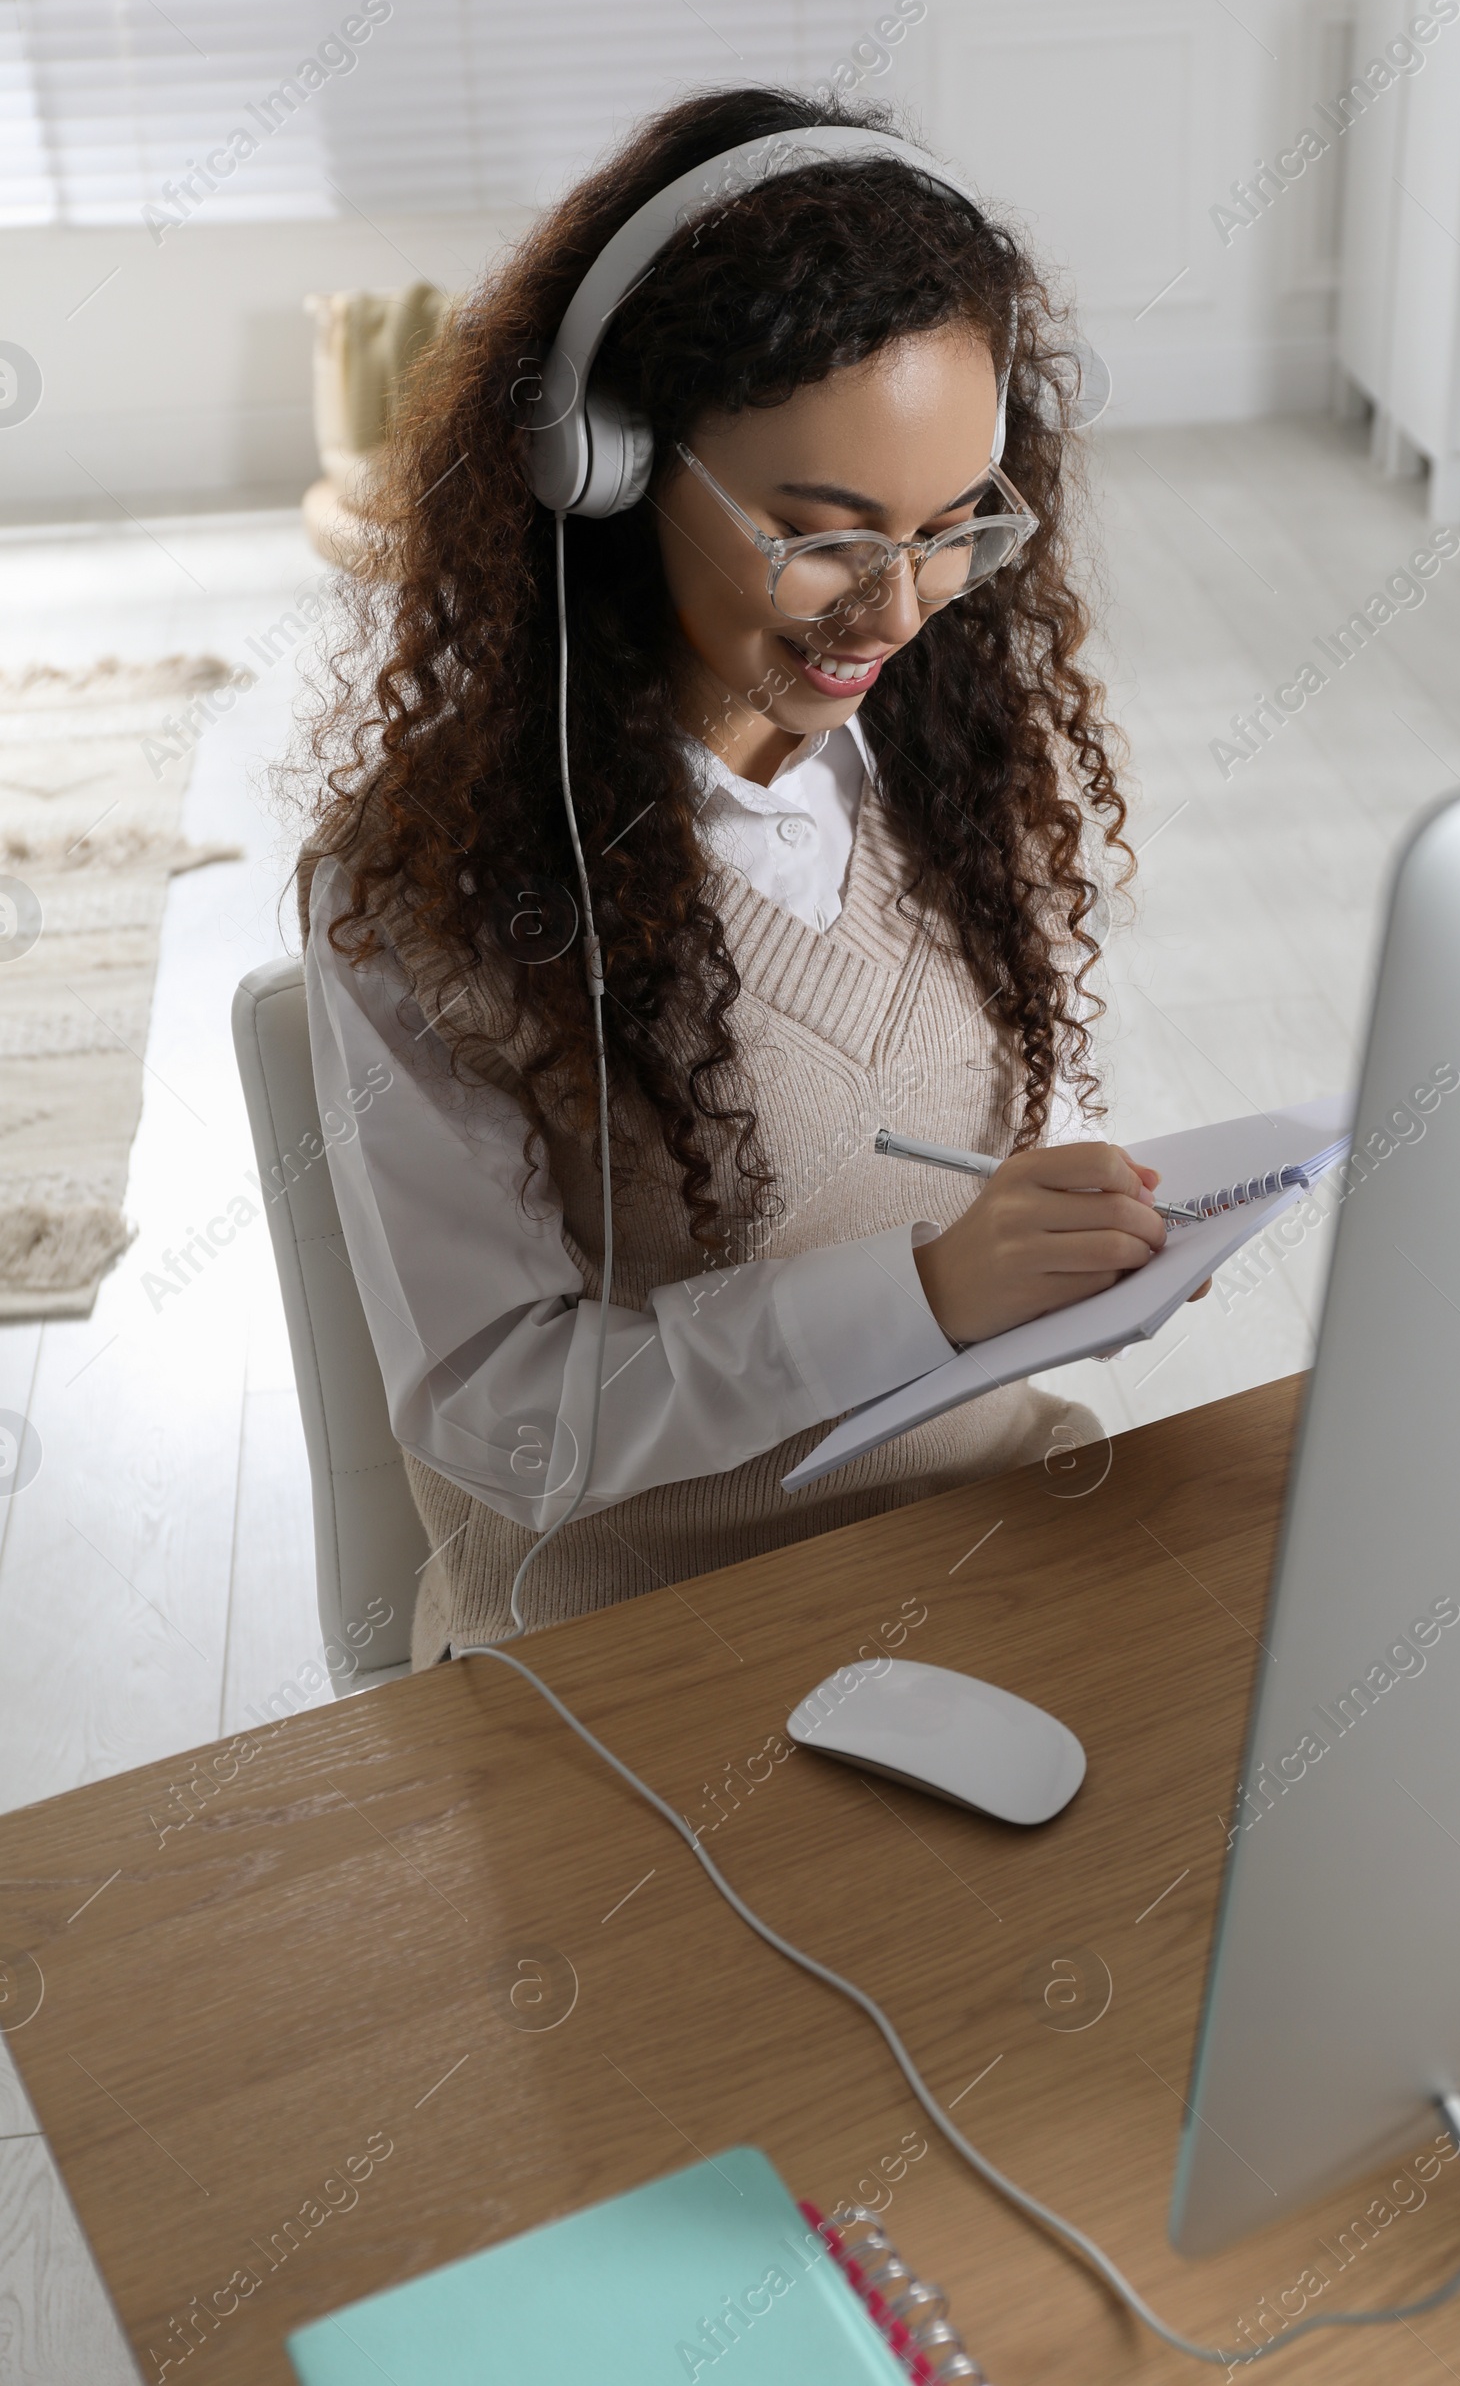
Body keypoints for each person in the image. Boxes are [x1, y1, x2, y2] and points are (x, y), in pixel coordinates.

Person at [295, 84, 1174, 1668]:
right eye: (820, 535)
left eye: (952, 528)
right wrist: (921, 1296)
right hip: (642, 1651)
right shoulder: (432, 895)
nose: (899, 612)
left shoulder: (956, 779)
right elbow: (503, 1417)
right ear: (607, 468)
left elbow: (917, 1201)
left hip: (988, 1531)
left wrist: (1055, 1255)